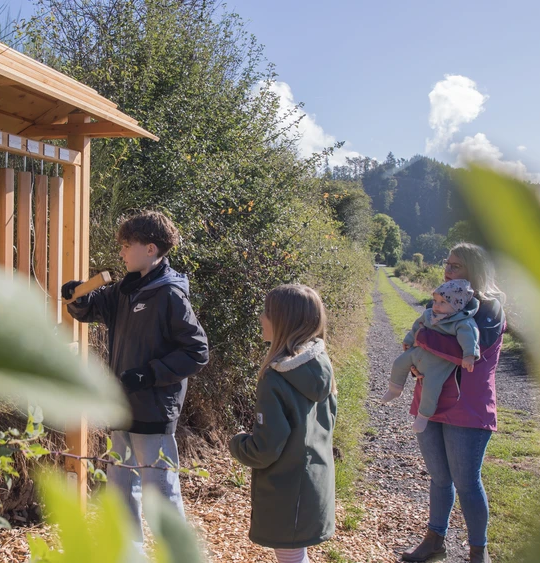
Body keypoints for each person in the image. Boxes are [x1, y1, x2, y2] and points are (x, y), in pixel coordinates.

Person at [62, 211, 209, 548]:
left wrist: (150, 373)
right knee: (121, 490)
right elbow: (91, 307)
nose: (122, 252)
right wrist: (77, 296)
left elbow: (197, 351)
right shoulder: (124, 290)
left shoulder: (169, 294)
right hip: (122, 408)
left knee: (161, 495)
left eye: (128, 245)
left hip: (153, 411)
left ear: (151, 249)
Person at [401, 243, 506, 563]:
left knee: (467, 483)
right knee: (438, 478)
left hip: (468, 408)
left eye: (456, 265)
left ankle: (478, 553)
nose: (447, 270)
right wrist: (415, 362)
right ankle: (435, 541)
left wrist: (421, 337)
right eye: (447, 263)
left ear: (475, 270)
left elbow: (463, 351)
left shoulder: (489, 309)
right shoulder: (440, 301)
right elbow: (421, 345)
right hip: (430, 402)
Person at [229, 284, 337, 563]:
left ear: (283, 321)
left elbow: (265, 449)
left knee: (291, 557)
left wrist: (238, 444)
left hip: (286, 490)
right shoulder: (321, 365)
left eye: (267, 312)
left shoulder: (275, 378)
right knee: (297, 555)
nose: (261, 318)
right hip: (315, 482)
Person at [383, 279, 480, 433]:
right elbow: (416, 327)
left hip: (438, 362)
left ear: (457, 305)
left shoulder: (462, 322)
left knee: (431, 388)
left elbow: (469, 338)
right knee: (399, 363)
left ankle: (423, 416)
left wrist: (469, 355)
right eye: (435, 300)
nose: (436, 305)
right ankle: (394, 389)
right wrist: (409, 340)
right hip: (418, 352)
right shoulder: (429, 314)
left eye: (443, 302)